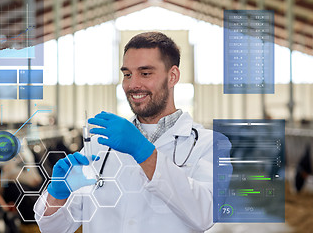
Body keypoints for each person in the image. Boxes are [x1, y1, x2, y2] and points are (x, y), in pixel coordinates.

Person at [34, 32, 226, 233]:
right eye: (127, 74)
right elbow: (53, 228)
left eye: (145, 73)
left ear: (173, 76)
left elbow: (207, 214)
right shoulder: (100, 144)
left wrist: (144, 152)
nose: (133, 85)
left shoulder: (207, 144)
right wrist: (58, 194)